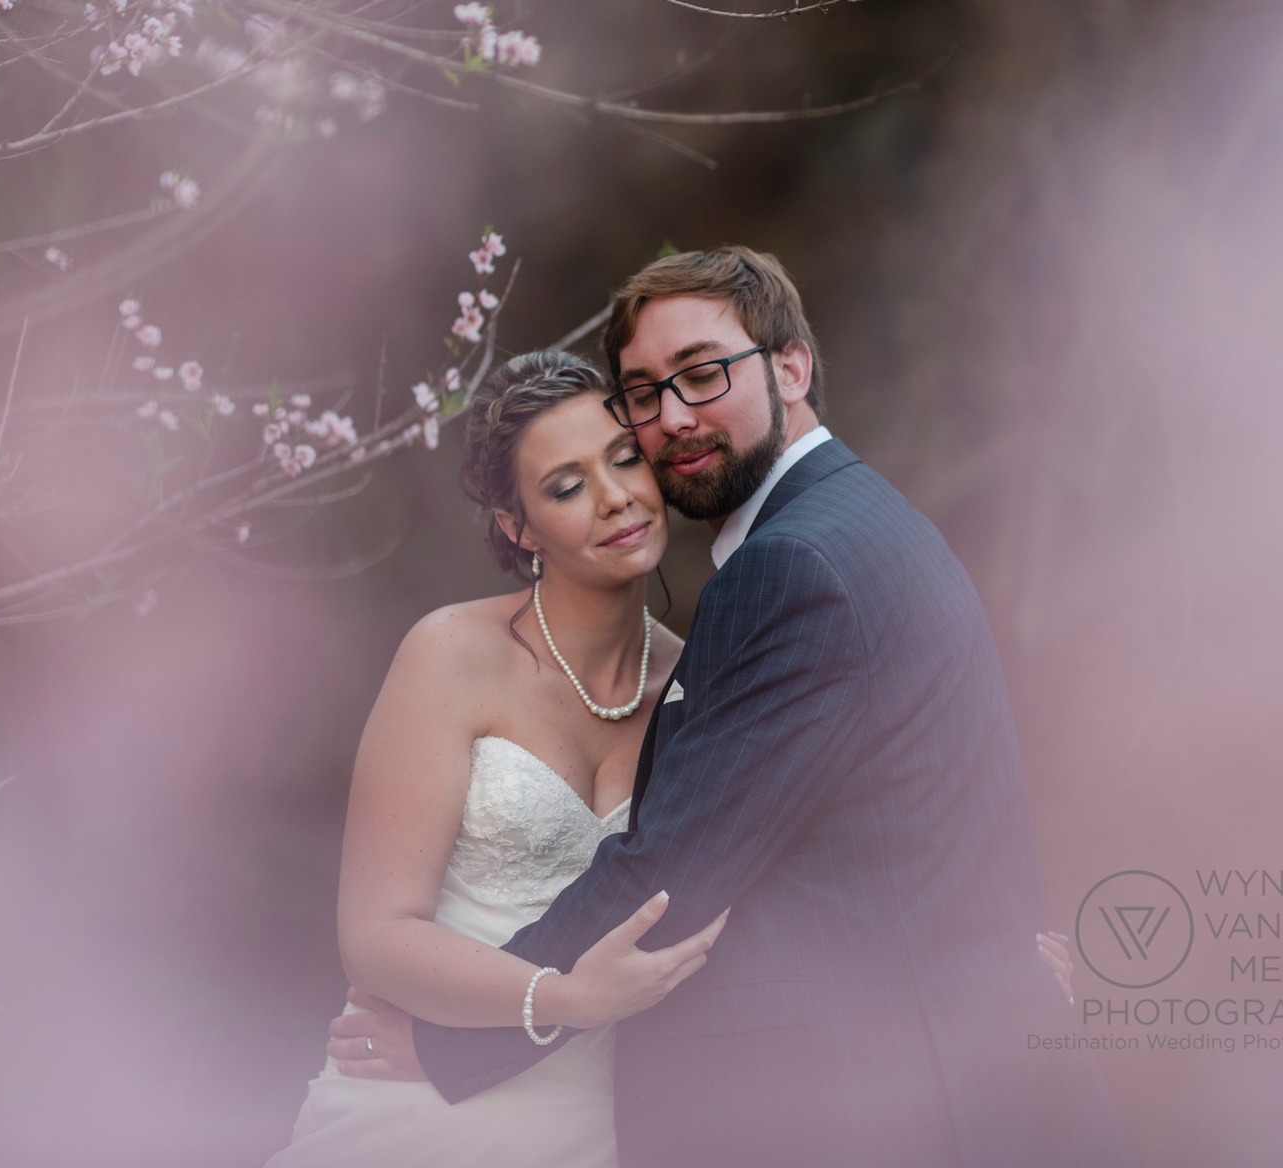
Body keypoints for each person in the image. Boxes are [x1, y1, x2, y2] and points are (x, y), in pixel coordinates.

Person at [335, 248, 1131, 1168]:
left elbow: (673, 873)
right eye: (644, 393)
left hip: (886, 1103)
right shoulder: (856, 525)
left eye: (703, 374)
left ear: (789, 367)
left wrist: (454, 1039)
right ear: (516, 523)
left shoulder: (794, 567)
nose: (674, 418)